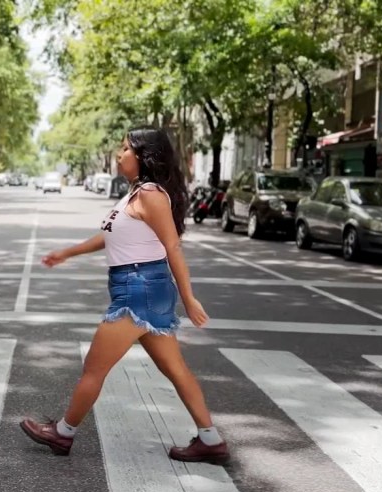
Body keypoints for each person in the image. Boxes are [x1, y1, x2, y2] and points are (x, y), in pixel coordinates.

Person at [20, 127, 229, 465]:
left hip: (139, 289)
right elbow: (109, 238)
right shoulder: (134, 194)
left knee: (93, 368)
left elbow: (172, 245)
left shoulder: (150, 195)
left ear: (144, 156)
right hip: (141, 286)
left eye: (125, 149)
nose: (119, 155)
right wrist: (67, 253)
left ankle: (62, 433)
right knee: (175, 368)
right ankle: (211, 439)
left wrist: (190, 299)